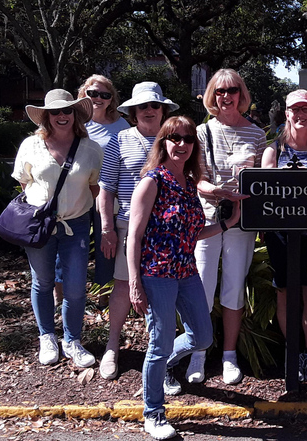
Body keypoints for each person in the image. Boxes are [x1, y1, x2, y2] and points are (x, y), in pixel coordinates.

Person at [126, 116, 243, 440]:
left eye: (188, 139)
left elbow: (191, 233)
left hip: (186, 272)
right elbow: (133, 237)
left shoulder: (189, 183)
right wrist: (135, 283)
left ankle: (161, 365)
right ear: (163, 142)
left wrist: (226, 224)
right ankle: (153, 413)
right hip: (156, 275)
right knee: (159, 343)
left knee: (202, 337)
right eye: (174, 137)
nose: (181, 144)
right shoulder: (152, 181)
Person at [12, 90, 103, 367]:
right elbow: (24, 182)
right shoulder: (31, 145)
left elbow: (95, 187)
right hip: (40, 224)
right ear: (46, 117)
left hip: (75, 224)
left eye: (67, 111)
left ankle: (72, 340)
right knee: (42, 282)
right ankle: (46, 336)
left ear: (75, 115)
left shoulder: (90, 149)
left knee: (75, 287)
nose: (62, 116)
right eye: (55, 112)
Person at [189, 68, 267, 385]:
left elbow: (264, 179)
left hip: (242, 222)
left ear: (241, 94)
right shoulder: (201, 132)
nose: (226, 96)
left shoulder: (257, 135)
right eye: (220, 91)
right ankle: (198, 354)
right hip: (208, 219)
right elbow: (195, 178)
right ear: (212, 95)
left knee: (234, 289)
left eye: (232, 89)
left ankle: (229, 356)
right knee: (203, 290)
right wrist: (217, 193)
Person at [97, 82, 179, 380]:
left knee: (162, 292)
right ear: (133, 111)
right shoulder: (119, 141)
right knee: (123, 285)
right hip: (127, 225)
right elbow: (105, 190)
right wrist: (107, 228)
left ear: (163, 110)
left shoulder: (175, 141)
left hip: (166, 230)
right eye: (143, 106)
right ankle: (112, 346)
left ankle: (159, 356)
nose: (149, 110)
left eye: (154, 105)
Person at [261, 90, 307, 382]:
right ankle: (292, 352)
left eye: (306, 109)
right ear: (287, 113)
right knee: (284, 292)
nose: (300, 115)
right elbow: (265, 195)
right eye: (295, 110)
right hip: (281, 236)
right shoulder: (273, 152)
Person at [79, 75, 130, 301]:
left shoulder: (122, 125)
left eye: (104, 95)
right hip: (77, 194)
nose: (98, 98)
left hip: (108, 196)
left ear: (111, 99)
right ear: (84, 95)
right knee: (74, 246)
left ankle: (103, 295)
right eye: (93, 93)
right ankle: (63, 297)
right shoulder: (75, 122)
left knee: (106, 246)